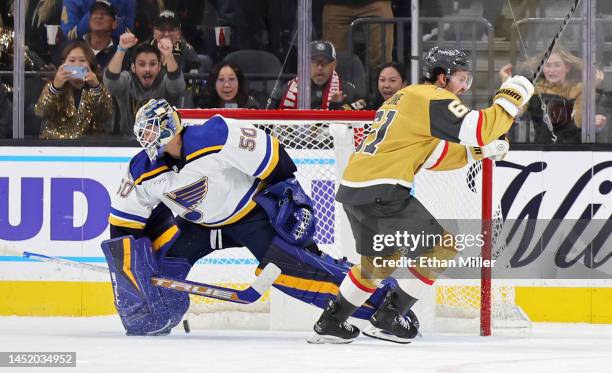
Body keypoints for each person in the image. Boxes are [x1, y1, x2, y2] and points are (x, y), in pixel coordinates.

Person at [101, 98, 419, 336]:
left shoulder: (216, 135)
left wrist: (294, 198)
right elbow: (124, 226)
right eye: (145, 133)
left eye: (155, 131)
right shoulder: (141, 170)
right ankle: (158, 316)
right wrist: (130, 271)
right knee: (159, 261)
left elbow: (274, 159)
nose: (149, 139)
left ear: (173, 125)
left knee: (295, 271)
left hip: (251, 216)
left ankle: (384, 301)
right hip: (196, 226)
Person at [309, 46, 534, 344]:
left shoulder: (407, 98)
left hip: (355, 189)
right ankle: (388, 317)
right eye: (462, 78)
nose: (464, 87)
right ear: (442, 78)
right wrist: (511, 98)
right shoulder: (433, 97)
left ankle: (331, 322)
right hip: (383, 189)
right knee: (442, 248)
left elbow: (436, 157)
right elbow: (478, 128)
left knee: (378, 263)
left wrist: (483, 151)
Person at [500, 47, 607, 144]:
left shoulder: (579, 89)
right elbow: (515, 112)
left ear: (567, 67)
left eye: (557, 65)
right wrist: (507, 85)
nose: (552, 70)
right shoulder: (533, 89)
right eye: (547, 65)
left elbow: (579, 122)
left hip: (573, 150)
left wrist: (590, 89)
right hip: (541, 150)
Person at [103, 32, 186, 135]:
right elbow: (110, 83)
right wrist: (121, 49)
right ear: (133, 67)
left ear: (159, 67)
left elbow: (178, 87)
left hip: (163, 143)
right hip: (129, 144)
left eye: (153, 64)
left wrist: (168, 55)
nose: (147, 69)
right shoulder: (127, 80)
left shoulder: (165, 80)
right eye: (142, 64)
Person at [34, 41, 113, 139]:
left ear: (90, 64)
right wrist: (55, 88)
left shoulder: (98, 87)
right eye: (72, 60)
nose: (77, 65)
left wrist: (96, 87)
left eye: (82, 60)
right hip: (55, 145)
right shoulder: (52, 86)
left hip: (89, 146)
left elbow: (107, 115)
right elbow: (41, 111)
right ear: (63, 65)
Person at [270, 40, 364, 110]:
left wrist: (337, 107)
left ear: (334, 65)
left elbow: (363, 105)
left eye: (325, 62)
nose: (319, 68)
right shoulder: (288, 88)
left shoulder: (346, 91)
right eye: (314, 62)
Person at [322, 0, 394, 72]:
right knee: (334, 58)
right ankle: (337, 82)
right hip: (335, 4)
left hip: (376, 3)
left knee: (382, 59)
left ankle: (383, 81)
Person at [61, 0, 135, 41]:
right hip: (81, 49)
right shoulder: (72, 1)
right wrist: (95, 9)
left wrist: (108, 13)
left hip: (116, 50)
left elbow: (128, 34)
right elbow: (70, 35)